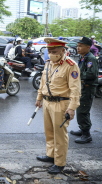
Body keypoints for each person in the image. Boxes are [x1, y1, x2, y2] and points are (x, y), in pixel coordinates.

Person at [35, 38, 81, 174]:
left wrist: (72, 108)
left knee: (60, 135)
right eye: (49, 51)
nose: (51, 54)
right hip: (47, 102)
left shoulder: (70, 65)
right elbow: (43, 82)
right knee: (49, 132)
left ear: (62, 51)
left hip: (61, 104)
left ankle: (60, 163)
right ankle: (51, 155)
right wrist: (39, 98)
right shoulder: (48, 63)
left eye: (54, 51)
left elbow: (75, 89)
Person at [70, 37, 99, 144]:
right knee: (80, 109)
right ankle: (82, 129)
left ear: (88, 47)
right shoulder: (83, 57)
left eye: (80, 46)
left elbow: (92, 74)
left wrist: (77, 75)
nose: (78, 48)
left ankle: (86, 134)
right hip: (82, 87)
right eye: (77, 46)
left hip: (87, 88)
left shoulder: (90, 58)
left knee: (83, 111)